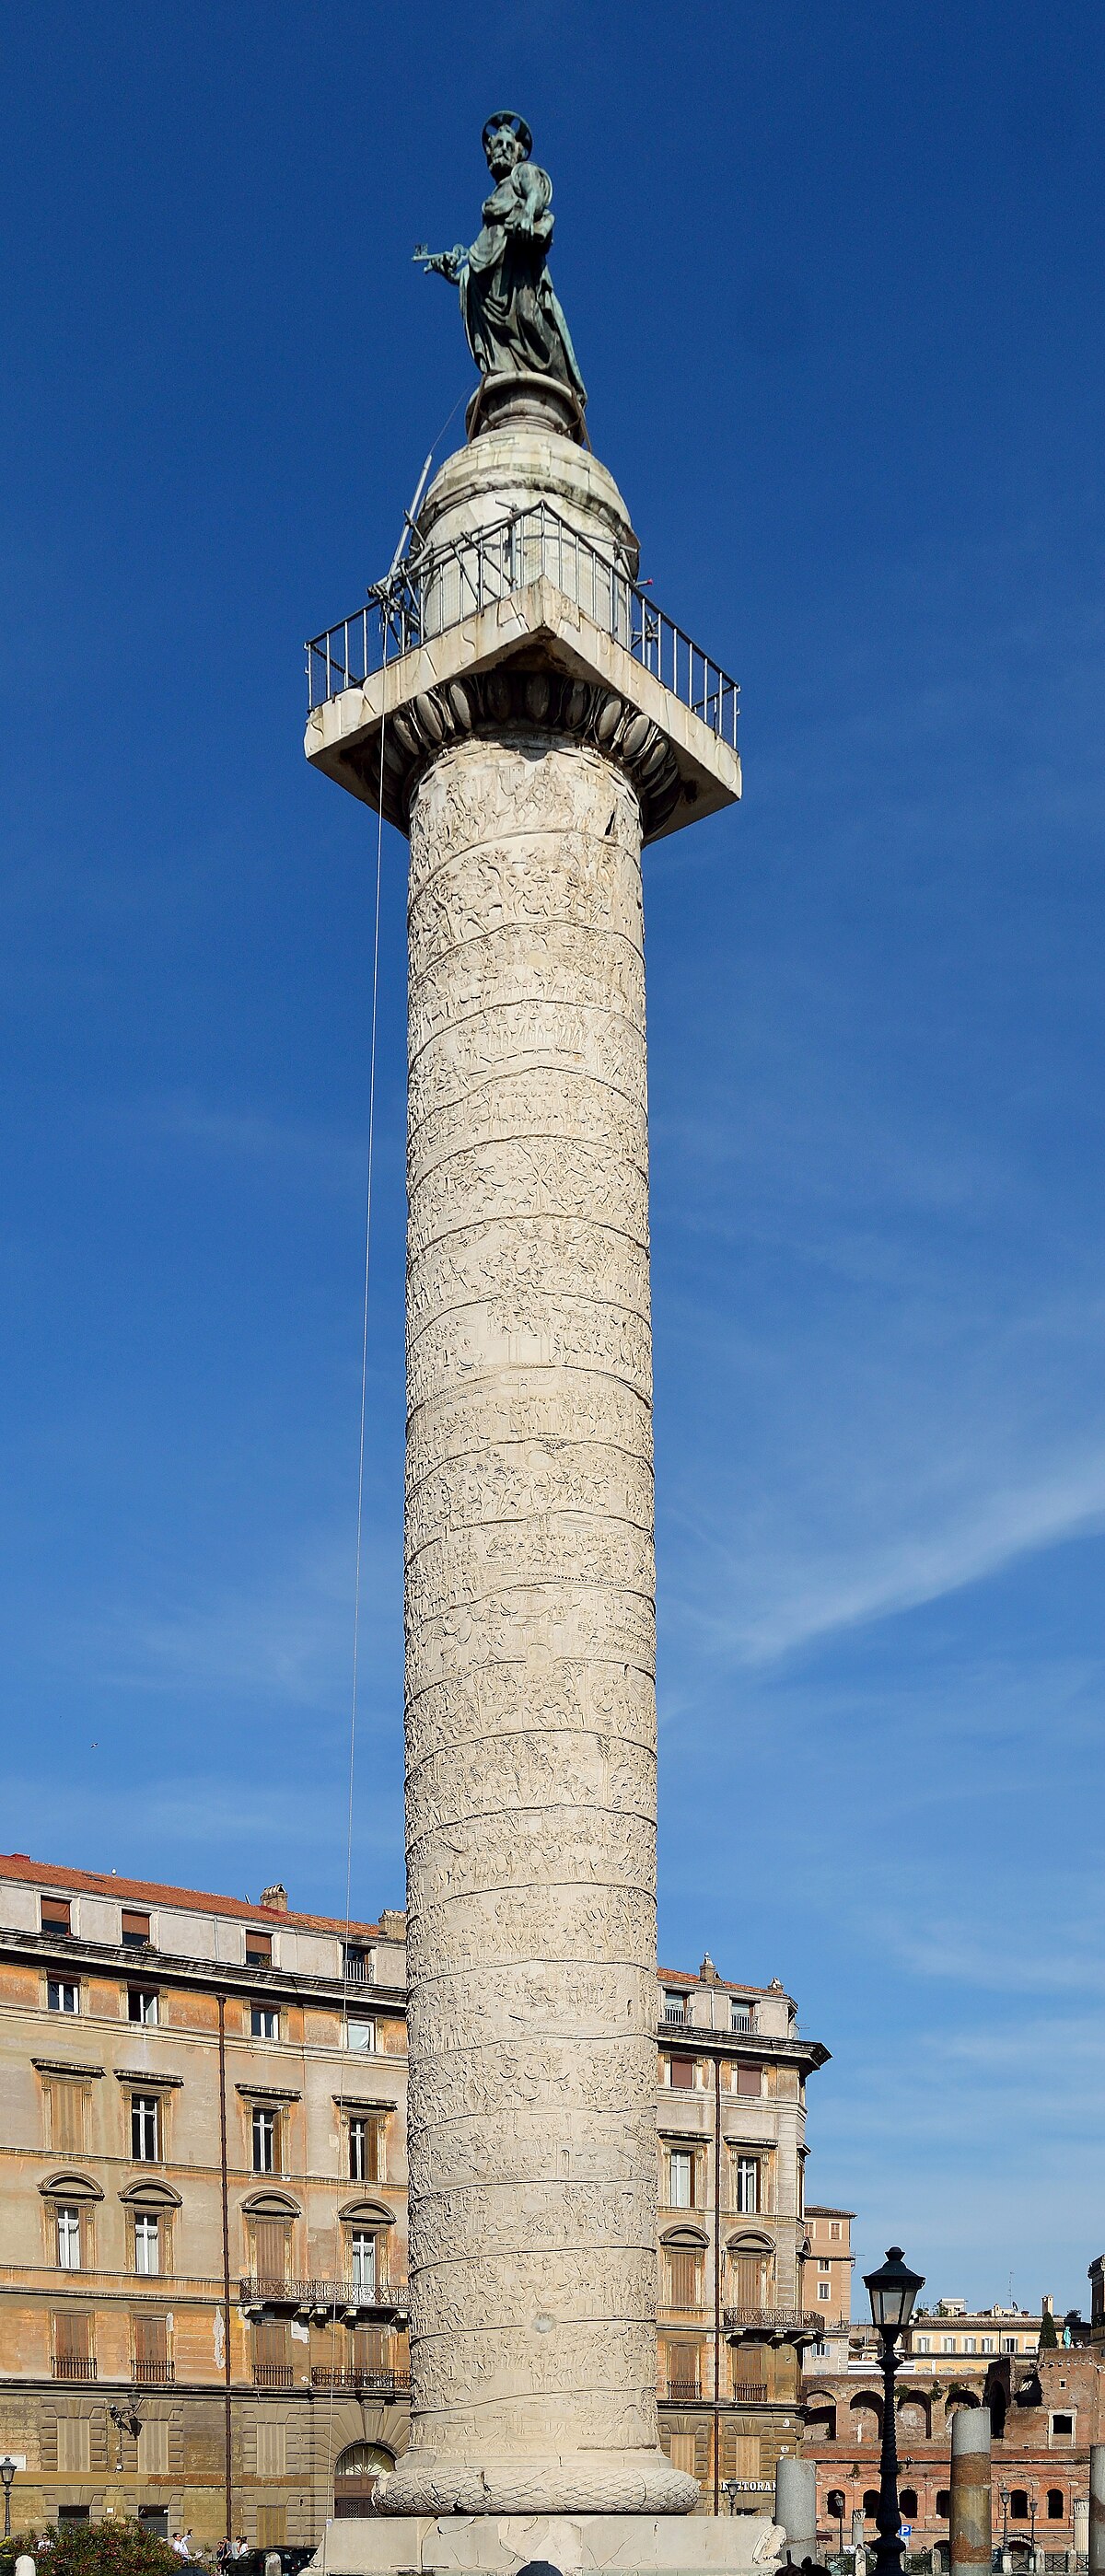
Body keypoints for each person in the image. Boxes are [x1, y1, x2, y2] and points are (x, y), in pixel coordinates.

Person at [417, 112, 586, 405]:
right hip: (495, 301)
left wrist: (527, 213)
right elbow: (484, 267)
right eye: (498, 146)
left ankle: (556, 388)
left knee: (537, 329)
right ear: (488, 151)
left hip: (521, 284)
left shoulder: (521, 176)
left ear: (519, 153)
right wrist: (455, 273)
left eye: (510, 146)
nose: (504, 151)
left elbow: (538, 191)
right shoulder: (493, 204)